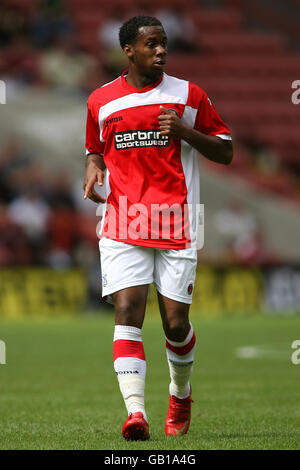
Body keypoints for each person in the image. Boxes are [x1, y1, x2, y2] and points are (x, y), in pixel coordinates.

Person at [83, 16, 233, 441]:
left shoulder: (189, 95)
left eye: (164, 44)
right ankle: (136, 414)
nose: (161, 51)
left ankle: (180, 394)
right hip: (122, 220)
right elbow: (95, 150)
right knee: (128, 312)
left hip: (177, 223)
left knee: (175, 325)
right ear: (129, 50)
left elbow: (226, 151)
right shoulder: (100, 100)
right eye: (152, 44)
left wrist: (186, 131)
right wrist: (91, 169)